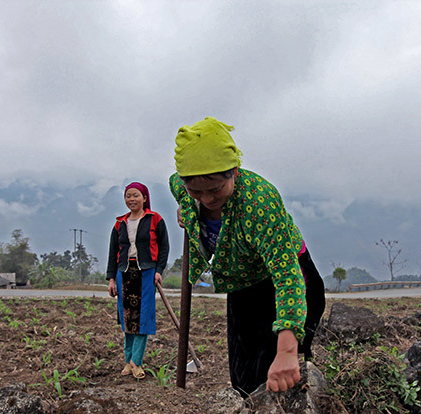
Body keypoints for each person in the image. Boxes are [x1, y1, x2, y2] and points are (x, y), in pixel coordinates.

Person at [169, 117, 326, 397]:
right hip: (241, 283)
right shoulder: (181, 187)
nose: (207, 199)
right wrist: (186, 209)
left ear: (234, 172)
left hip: (284, 281)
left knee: (278, 372)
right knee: (243, 376)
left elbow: (287, 277)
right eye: (196, 191)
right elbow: (180, 190)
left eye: (215, 189)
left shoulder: (259, 202)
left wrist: (287, 350)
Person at [106, 182, 170, 380]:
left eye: (136, 195)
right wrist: (111, 279)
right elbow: (113, 252)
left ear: (144, 198)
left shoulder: (155, 219)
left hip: (146, 272)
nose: (132, 199)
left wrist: (159, 271)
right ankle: (128, 361)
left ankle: (136, 361)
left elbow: (164, 247)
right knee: (127, 317)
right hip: (124, 272)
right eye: (128, 196)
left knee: (142, 318)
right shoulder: (120, 223)